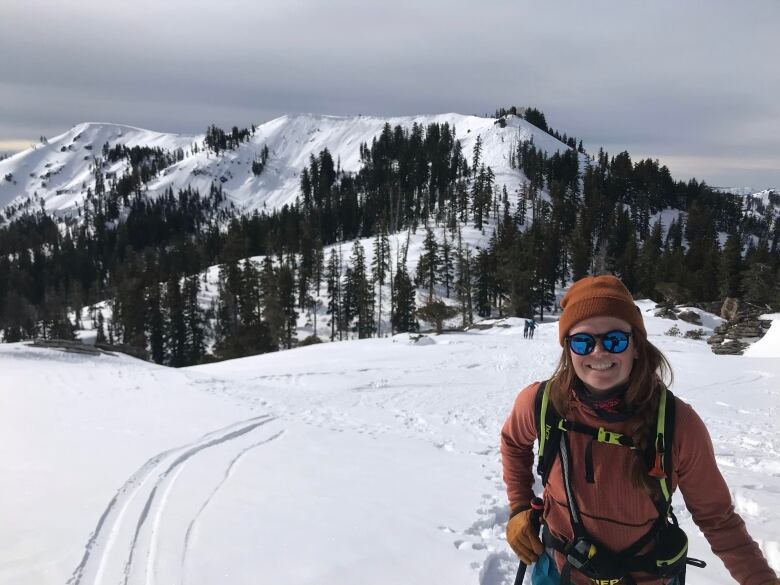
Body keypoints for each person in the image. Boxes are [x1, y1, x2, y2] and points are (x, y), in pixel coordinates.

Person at [501, 275, 778, 585]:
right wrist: (519, 505)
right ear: (569, 350)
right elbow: (513, 442)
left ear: (635, 347)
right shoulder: (542, 404)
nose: (599, 353)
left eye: (615, 340)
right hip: (558, 570)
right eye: (583, 341)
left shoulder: (677, 424)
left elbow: (718, 519)